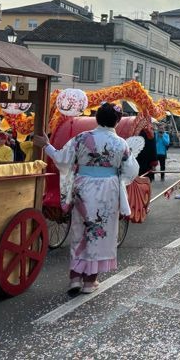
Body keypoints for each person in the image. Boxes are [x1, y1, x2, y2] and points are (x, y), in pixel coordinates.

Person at [34, 102, 139, 293]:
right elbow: (131, 170)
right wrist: (118, 178)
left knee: (79, 230)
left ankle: (75, 278)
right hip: (108, 189)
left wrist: (47, 146)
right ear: (117, 121)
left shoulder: (82, 138)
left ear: (97, 118)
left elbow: (62, 159)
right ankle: (90, 281)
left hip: (83, 187)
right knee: (100, 232)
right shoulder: (121, 144)